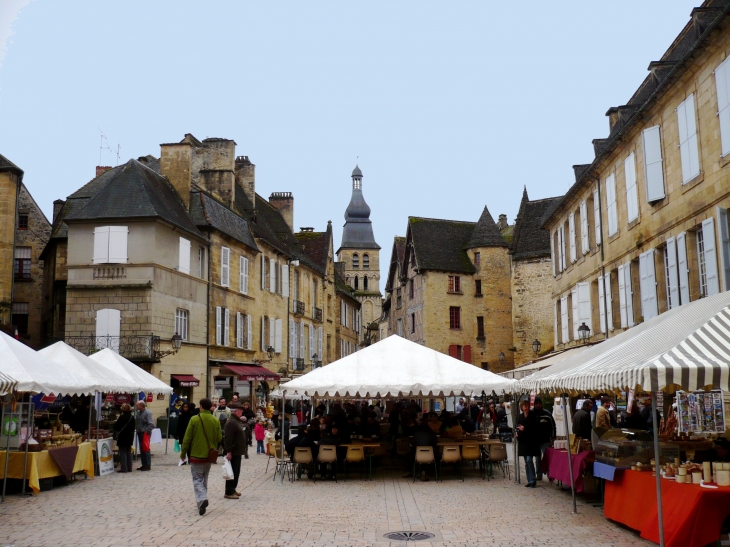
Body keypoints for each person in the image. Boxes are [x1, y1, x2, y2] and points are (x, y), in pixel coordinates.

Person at [181, 398, 222, 515]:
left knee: (197, 479)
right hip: (209, 455)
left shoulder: (194, 419)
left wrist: (183, 453)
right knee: (205, 478)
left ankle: (202, 498)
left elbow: (187, 438)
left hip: (196, 454)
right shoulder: (215, 420)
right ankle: (200, 503)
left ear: (201, 407)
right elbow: (219, 438)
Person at [223, 403, 246, 500]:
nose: (242, 412)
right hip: (233, 451)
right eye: (240, 410)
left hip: (237, 451)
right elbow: (228, 438)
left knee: (236, 472)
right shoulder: (232, 422)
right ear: (235, 411)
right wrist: (229, 451)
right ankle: (229, 491)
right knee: (231, 472)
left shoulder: (236, 421)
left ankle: (233, 489)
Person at [517, 400, 540, 487]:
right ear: (522, 407)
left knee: (529, 459)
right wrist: (517, 432)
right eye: (524, 406)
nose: (526, 408)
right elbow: (518, 426)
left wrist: (525, 428)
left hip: (531, 441)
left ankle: (533, 479)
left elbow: (536, 428)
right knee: (526, 461)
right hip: (523, 441)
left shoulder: (533, 415)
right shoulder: (520, 416)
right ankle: (529, 480)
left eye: (527, 406)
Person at [533, 397, 556, 481]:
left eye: (540, 403)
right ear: (534, 404)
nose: (538, 405)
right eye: (537, 403)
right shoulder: (532, 414)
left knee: (547, 457)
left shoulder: (547, 414)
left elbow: (553, 426)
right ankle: (538, 474)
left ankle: (550, 474)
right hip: (535, 440)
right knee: (537, 458)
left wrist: (553, 437)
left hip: (546, 440)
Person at [113, 403, 135, 473]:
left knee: (123, 452)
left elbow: (116, 427)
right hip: (130, 436)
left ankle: (124, 468)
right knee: (128, 452)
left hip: (123, 436)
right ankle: (129, 467)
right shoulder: (132, 417)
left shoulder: (122, 417)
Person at [135, 401, 154, 471]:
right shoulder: (139, 413)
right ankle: (144, 464)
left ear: (142, 406)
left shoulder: (147, 413)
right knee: (142, 449)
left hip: (145, 433)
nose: (136, 406)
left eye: (137, 405)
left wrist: (146, 430)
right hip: (140, 432)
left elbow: (152, 424)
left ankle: (147, 465)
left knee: (146, 448)